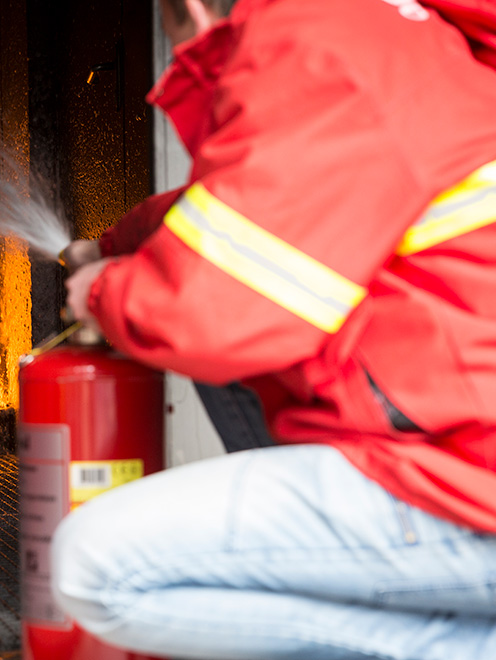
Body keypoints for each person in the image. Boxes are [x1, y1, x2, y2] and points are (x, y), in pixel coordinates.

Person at [52, 0, 496, 658]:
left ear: (191, 10)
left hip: (463, 475)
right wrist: (119, 243)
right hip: (456, 438)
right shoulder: (374, 30)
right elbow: (271, 193)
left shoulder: (312, 37)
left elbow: (211, 315)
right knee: (235, 377)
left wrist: (103, 290)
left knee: (94, 569)